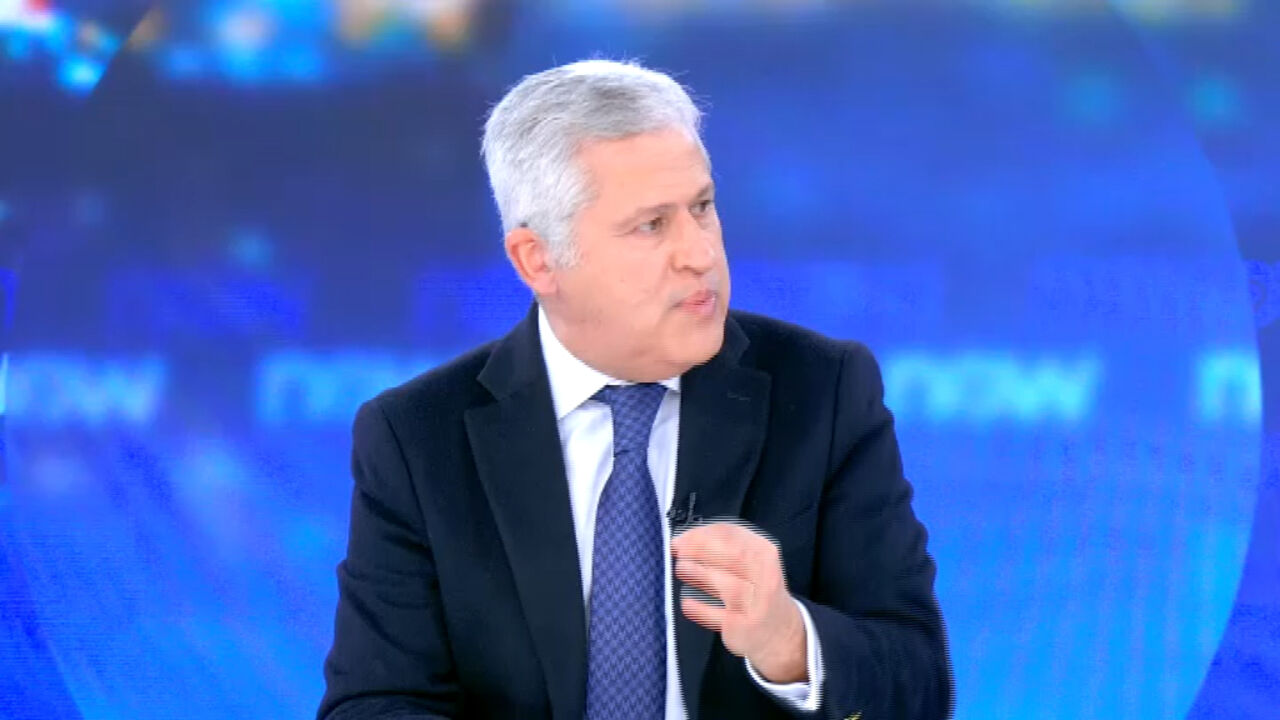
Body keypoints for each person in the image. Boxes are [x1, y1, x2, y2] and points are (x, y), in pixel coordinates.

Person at [318, 59, 952, 720]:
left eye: (702, 208)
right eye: (652, 225)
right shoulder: (417, 439)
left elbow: (918, 684)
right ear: (538, 260)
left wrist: (788, 640)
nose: (700, 253)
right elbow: (375, 704)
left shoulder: (823, 393)